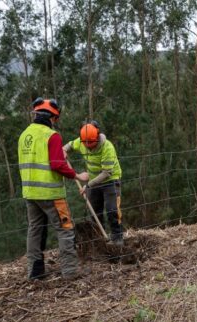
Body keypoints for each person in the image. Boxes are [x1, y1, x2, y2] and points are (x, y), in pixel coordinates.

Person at [18, 98, 89, 280]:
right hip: (51, 194)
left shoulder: (24, 135)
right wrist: (78, 175)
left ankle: (35, 272)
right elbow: (57, 165)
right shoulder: (52, 135)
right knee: (65, 229)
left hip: (30, 193)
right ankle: (70, 272)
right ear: (53, 118)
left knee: (34, 230)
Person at [63, 120, 124, 245]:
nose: (88, 146)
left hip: (110, 180)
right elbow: (68, 145)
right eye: (85, 143)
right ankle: (99, 239)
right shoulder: (82, 142)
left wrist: (88, 185)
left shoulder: (107, 147)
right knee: (95, 211)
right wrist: (64, 150)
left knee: (112, 210)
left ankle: (117, 238)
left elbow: (107, 173)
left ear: (97, 136)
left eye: (91, 143)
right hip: (93, 181)